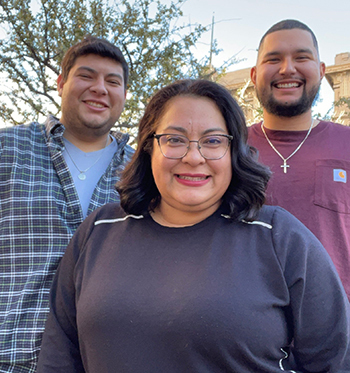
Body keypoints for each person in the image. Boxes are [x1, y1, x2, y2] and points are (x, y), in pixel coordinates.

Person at [37, 79, 349, 372]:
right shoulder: (98, 231)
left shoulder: (280, 237)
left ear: (233, 151)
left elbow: (335, 360)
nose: (193, 157)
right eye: (174, 140)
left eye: (213, 141)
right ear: (149, 147)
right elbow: (58, 357)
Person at [0, 36, 134, 372]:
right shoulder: (8, 149)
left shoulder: (144, 170)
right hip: (11, 356)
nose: (100, 88)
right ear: (61, 83)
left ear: (124, 95)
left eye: (112, 81)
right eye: (86, 76)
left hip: (105, 360)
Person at [248, 19, 350, 299]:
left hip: (341, 329)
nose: (287, 68)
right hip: (243, 330)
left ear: (321, 71)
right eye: (274, 59)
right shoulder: (225, 148)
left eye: (301, 57)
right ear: (255, 75)